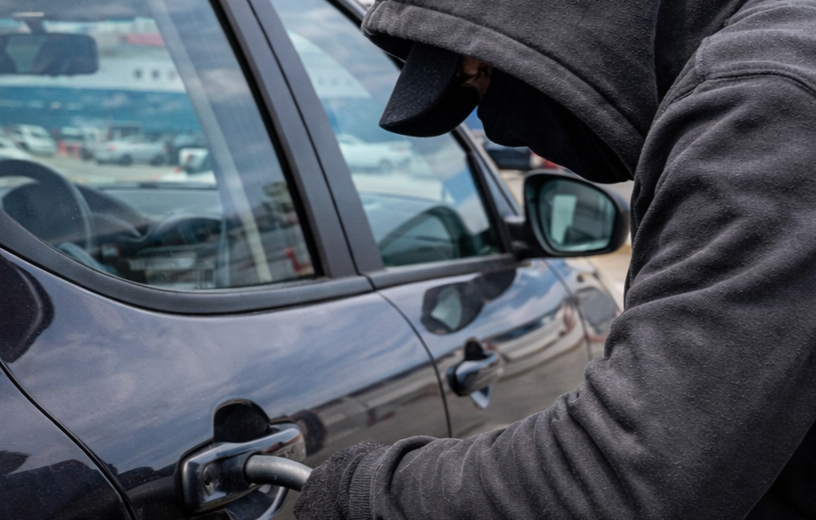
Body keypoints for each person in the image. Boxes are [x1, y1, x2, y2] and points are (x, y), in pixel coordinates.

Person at [294, 0, 816, 518]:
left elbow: (621, 478)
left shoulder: (771, 103)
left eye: (478, 85)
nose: (498, 131)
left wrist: (361, 493)